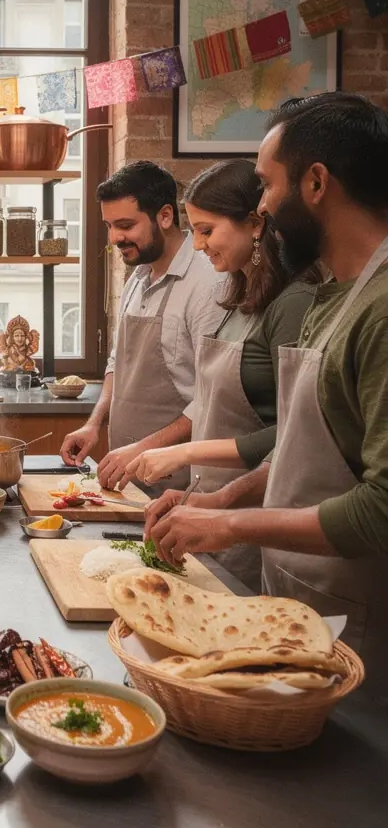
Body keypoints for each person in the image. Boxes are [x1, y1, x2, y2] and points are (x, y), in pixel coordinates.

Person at [145, 93, 388, 696]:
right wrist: (220, 501)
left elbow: (382, 508)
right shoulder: (334, 294)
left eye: (266, 185)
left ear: (316, 182)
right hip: (300, 601)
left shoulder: (381, 310)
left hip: (359, 626)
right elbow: (303, 448)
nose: (262, 207)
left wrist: (235, 527)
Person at [121, 160, 316, 589]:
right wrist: (198, 494)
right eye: (194, 230)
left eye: (207, 231)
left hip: (260, 516)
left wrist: (186, 454)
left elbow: (295, 434)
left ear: (254, 224)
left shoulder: (292, 304)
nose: (197, 245)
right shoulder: (235, 296)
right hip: (211, 508)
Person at [60, 161, 225, 491]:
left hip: (185, 486)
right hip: (132, 480)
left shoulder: (209, 283)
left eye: (125, 225)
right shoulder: (137, 279)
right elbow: (117, 364)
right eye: (109, 225)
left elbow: (213, 400)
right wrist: (94, 424)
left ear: (165, 216)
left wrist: (143, 448)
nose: (115, 237)